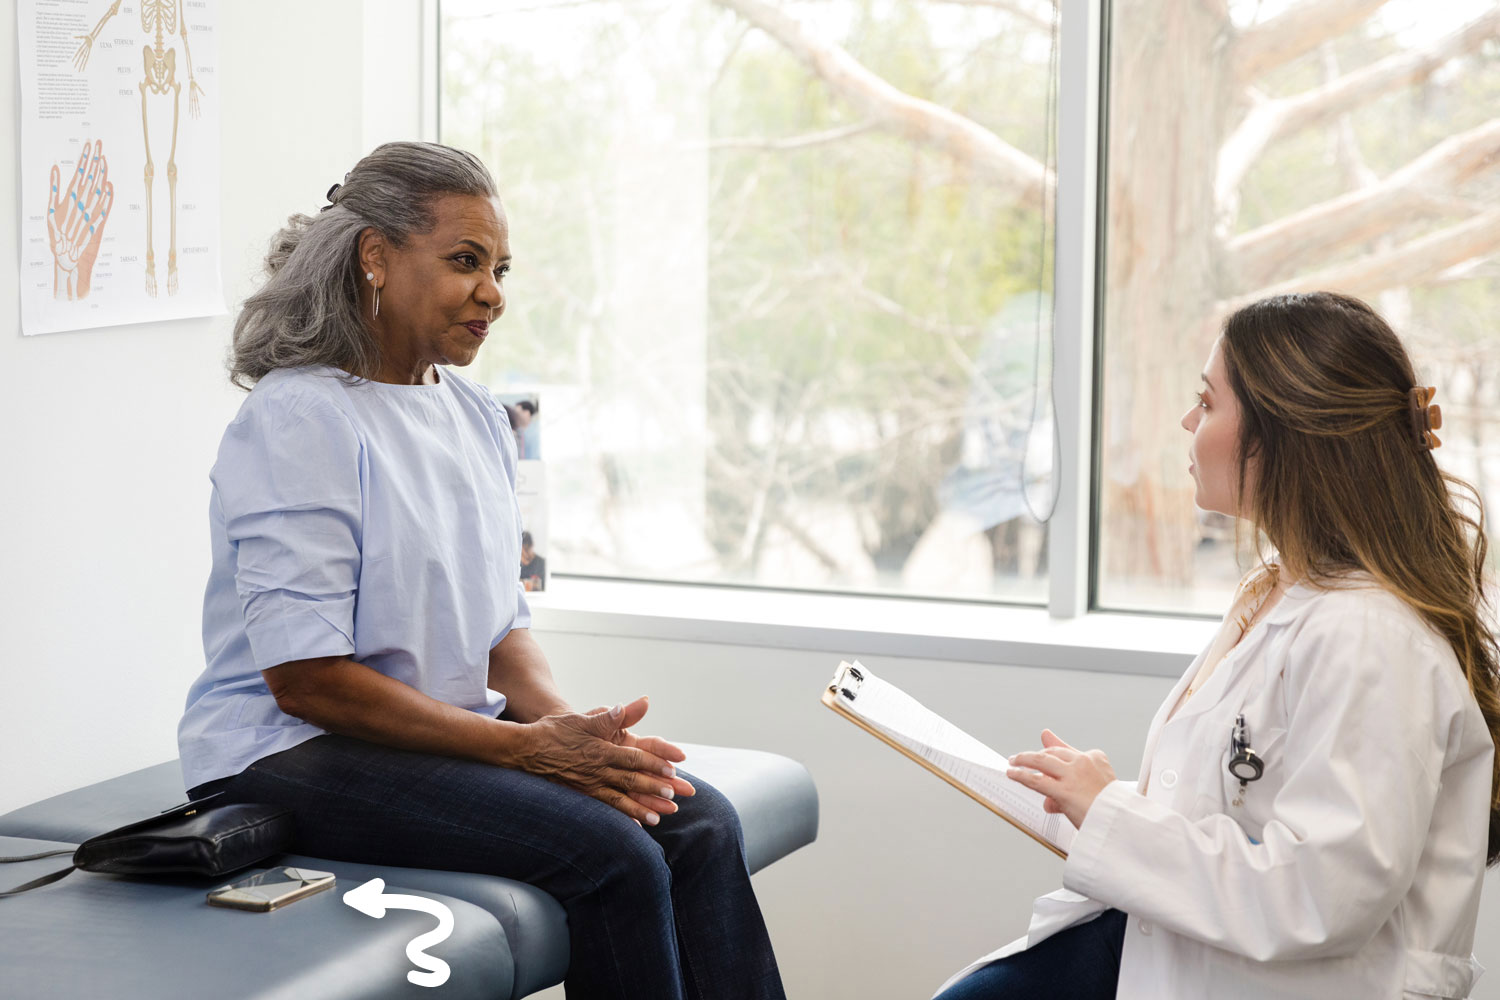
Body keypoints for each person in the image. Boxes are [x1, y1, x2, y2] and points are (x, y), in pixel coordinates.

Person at [177, 142, 786, 1000]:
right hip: (286, 752)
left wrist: (572, 732)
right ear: (376, 256)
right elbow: (308, 681)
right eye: (466, 262)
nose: (493, 293)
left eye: (499, 269)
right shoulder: (302, 418)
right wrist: (526, 751)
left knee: (699, 821)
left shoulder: (476, 416)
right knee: (610, 852)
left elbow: (500, 630)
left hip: (422, 740)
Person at [935, 292, 1500, 1000]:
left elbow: (1317, 896)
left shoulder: (1371, 637)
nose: (1187, 422)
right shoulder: (1278, 594)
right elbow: (1242, 810)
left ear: (1281, 437)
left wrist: (1112, 814)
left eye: (1206, 403)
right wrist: (1102, 799)